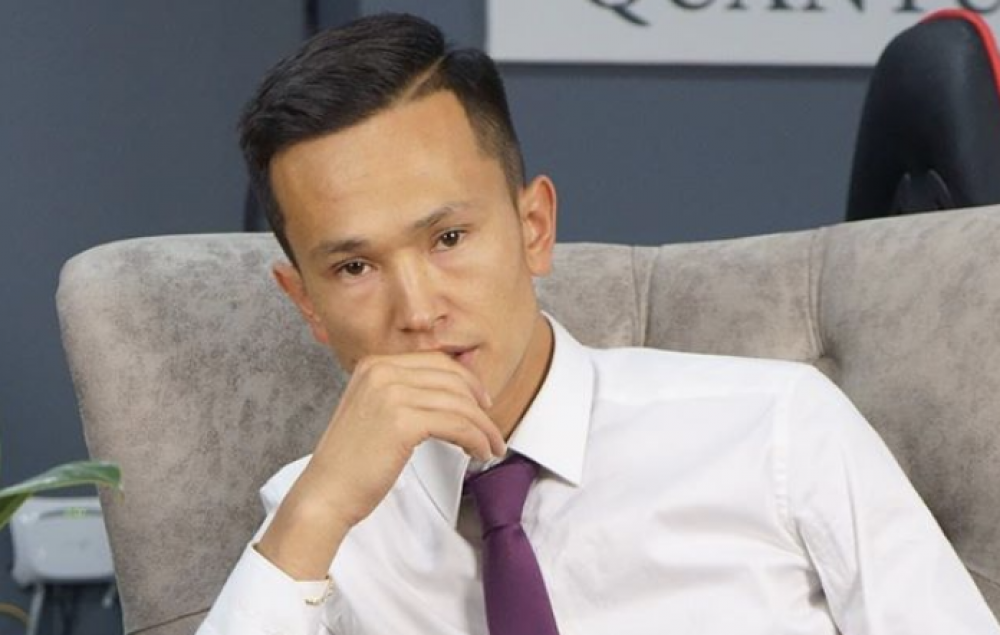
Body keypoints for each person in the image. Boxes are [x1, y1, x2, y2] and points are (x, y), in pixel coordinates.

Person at [198, 12, 1000, 635]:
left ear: (534, 228)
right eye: (354, 268)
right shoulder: (316, 521)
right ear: (306, 302)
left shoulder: (779, 429)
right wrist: (314, 515)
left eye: (449, 238)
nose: (417, 310)